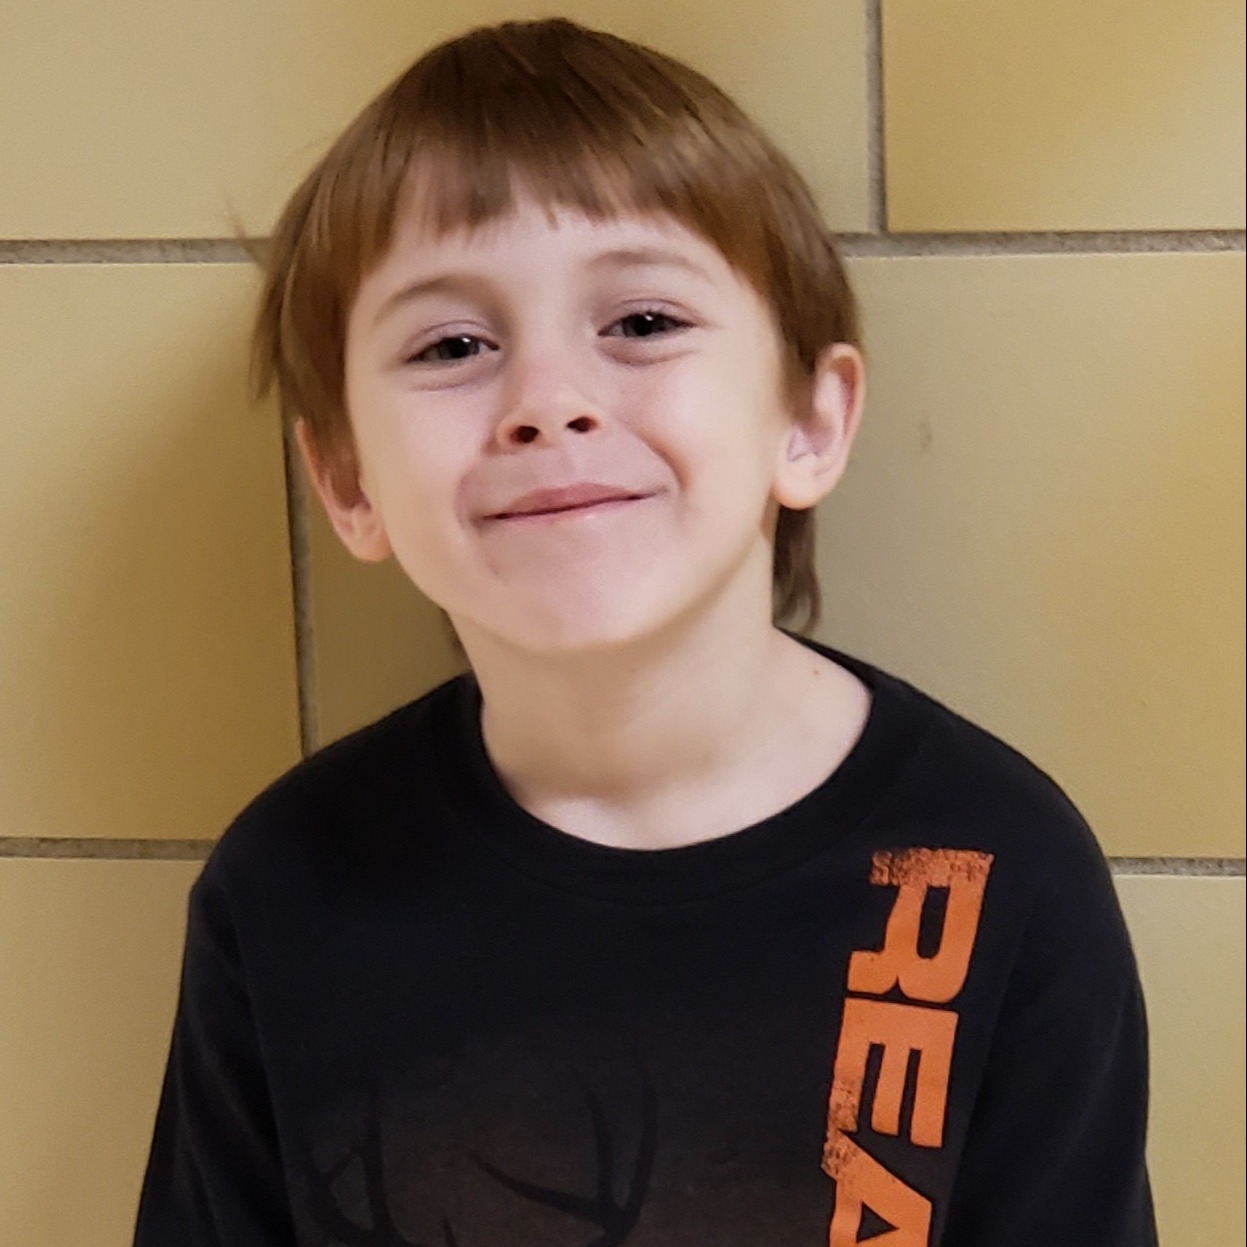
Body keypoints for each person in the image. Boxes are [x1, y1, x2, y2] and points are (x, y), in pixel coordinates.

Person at [133, 18, 1157, 1246]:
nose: (548, 404)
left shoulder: (995, 869)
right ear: (346, 479)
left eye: (641, 323)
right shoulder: (284, 887)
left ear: (809, 421)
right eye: (452, 344)